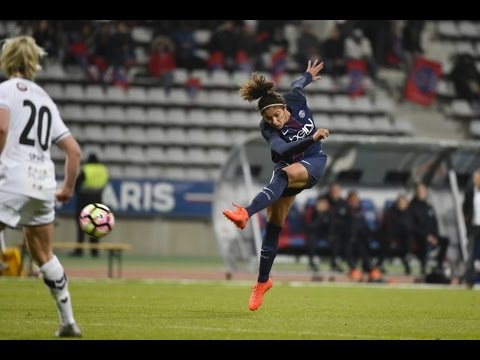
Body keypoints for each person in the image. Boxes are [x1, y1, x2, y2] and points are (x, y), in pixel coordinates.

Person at [223, 59, 329, 311]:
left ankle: (245, 213)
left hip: (313, 162)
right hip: (288, 170)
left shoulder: (294, 99)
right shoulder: (267, 129)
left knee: (285, 174)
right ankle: (262, 283)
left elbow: (297, 84)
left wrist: (307, 75)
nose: (275, 122)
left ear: (284, 107)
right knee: (273, 227)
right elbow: (284, 148)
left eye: (277, 115)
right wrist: (311, 136)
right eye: (269, 118)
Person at [0, 36, 82, 337]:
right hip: (42, 181)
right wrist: (67, 188)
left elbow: (2, 127)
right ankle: (68, 322)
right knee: (43, 253)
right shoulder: (45, 98)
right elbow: (73, 151)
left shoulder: (5, 91)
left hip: (11, 177)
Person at [71, 152, 109, 258]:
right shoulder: (103, 170)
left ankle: (79, 250)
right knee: (97, 226)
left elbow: (77, 184)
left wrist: (78, 194)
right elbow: (106, 182)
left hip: (84, 199)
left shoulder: (86, 169)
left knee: (81, 225)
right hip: (98, 199)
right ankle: (94, 251)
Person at [462, 169, 480, 288]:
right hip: (474, 228)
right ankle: (469, 282)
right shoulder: (470, 192)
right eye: (475, 178)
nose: (477, 180)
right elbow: (465, 208)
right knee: (471, 256)